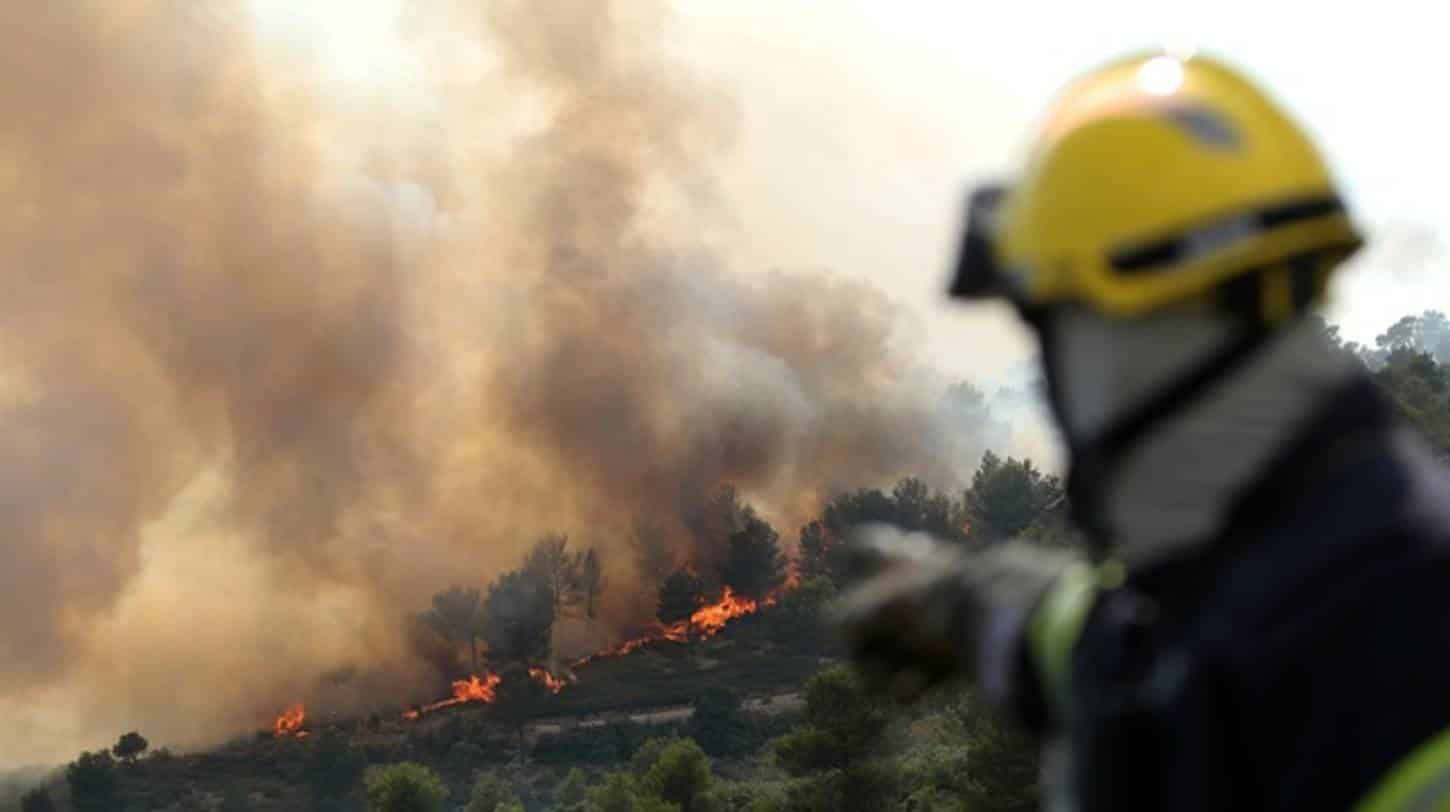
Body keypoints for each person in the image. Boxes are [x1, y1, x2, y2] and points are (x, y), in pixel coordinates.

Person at [833, 51, 1450, 811]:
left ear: (1128, 333)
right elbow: (1109, 647)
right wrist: (957, 602)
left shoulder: (1404, 676)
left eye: (1052, 327)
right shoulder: (1269, 558)